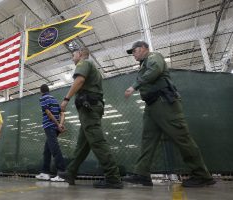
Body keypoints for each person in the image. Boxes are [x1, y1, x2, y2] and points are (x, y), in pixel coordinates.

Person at [123, 40, 216, 187]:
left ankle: (202, 175)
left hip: (164, 103)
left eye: (134, 51)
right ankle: (142, 174)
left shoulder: (154, 57)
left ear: (143, 48)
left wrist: (134, 86)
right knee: (148, 140)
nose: (133, 54)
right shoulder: (144, 64)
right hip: (152, 106)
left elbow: (155, 70)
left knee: (181, 138)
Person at [59, 47, 123, 189]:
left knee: (98, 142)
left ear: (80, 54)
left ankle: (113, 177)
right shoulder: (91, 67)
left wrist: (66, 99)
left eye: (73, 54)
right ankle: (71, 172)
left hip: (89, 109)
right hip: (91, 108)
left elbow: (80, 80)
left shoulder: (84, 63)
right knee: (83, 144)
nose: (72, 58)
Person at [35, 84, 66, 182]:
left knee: (54, 149)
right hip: (55, 127)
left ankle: (62, 173)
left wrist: (57, 125)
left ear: (41, 91)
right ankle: (45, 173)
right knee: (47, 150)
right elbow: (62, 113)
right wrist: (60, 124)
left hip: (49, 126)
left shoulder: (43, 98)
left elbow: (48, 113)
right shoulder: (54, 99)